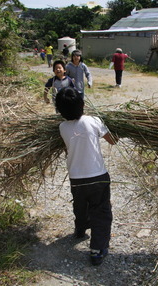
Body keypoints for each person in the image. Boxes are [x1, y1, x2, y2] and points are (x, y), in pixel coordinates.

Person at [55, 86, 118, 266]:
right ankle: (97, 250)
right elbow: (112, 141)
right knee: (101, 211)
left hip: (76, 178)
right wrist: (118, 134)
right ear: (82, 105)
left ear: (60, 110)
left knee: (80, 205)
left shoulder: (62, 127)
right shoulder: (94, 121)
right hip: (98, 176)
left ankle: (80, 230)